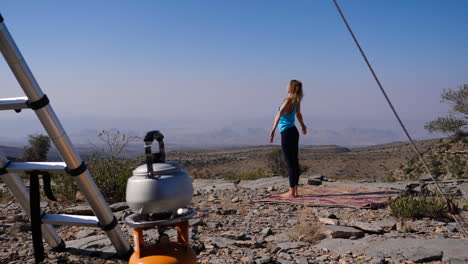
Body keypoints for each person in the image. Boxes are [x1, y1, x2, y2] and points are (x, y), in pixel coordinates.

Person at [269, 80, 307, 198]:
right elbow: (298, 114)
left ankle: (291, 192)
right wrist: (302, 125)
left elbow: (279, 114)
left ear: (291, 87)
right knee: (294, 161)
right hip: (294, 132)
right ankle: (295, 190)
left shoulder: (287, 100)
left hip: (286, 133)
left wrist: (273, 130)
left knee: (290, 162)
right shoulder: (296, 100)